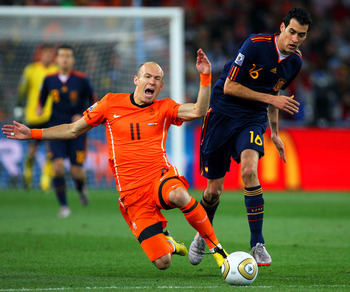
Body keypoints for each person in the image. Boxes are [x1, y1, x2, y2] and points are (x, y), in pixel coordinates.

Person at [2, 49, 229, 270]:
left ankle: (217, 250)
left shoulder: (164, 107)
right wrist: (32, 133)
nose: (152, 81)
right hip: (132, 195)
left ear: (160, 86)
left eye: (157, 79)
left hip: (159, 178)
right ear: (136, 80)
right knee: (163, 262)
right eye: (147, 76)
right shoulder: (110, 104)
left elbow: (199, 110)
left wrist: (205, 75)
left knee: (179, 194)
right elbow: (73, 130)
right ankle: (168, 243)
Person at [188, 8, 312, 267]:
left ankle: (257, 242)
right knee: (213, 190)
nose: (295, 39)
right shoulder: (255, 44)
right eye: (292, 32)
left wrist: (275, 134)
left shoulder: (295, 62)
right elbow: (230, 86)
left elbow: (274, 97)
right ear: (281, 27)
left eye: (301, 35)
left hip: (252, 119)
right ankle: (203, 234)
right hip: (222, 112)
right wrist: (270, 98)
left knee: (249, 172)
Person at [37, 44, 97, 218]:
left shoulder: (82, 79)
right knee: (57, 168)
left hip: (77, 129)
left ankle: (80, 188)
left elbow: (93, 102)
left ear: (73, 60)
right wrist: (39, 108)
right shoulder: (49, 79)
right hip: (56, 129)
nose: (65, 58)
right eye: (62, 55)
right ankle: (64, 206)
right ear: (56, 59)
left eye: (68, 56)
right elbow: (42, 99)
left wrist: (82, 114)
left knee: (76, 171)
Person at [16, 43, 58, 191]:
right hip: (33, 116)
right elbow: (22, 91)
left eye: (50, 52)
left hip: (50, 116)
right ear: (40, 54)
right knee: (32, 151)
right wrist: (19, 107)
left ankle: (45, 182)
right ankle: (27, 176)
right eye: (45, 52)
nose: (47, 55)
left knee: (50, 149)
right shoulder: (31, 70)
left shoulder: (55, 70)